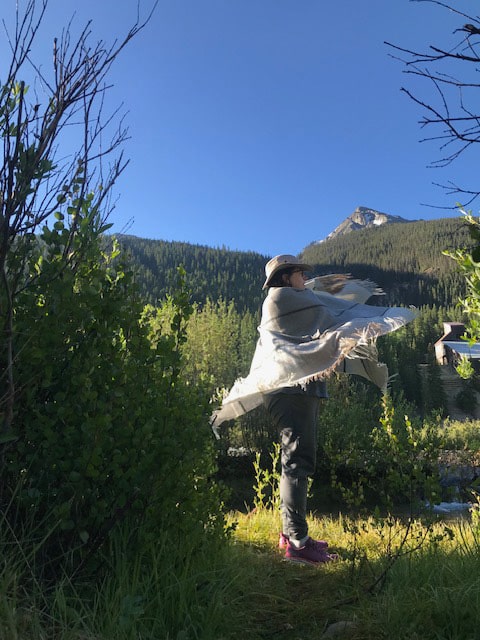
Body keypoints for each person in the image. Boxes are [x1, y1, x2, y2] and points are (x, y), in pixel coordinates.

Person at [212, 254, 417, 565]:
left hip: (296, 388)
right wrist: (353, 326)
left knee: (295, 460)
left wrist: (329, 287)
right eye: (299, 274)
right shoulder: (280, 300)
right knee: (297, 461)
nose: (304, 279)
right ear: (285, 277)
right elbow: (324, 317)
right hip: (290, 389)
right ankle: (297, 543)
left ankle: (291, 534)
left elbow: (317, 304)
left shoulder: (293, 297)